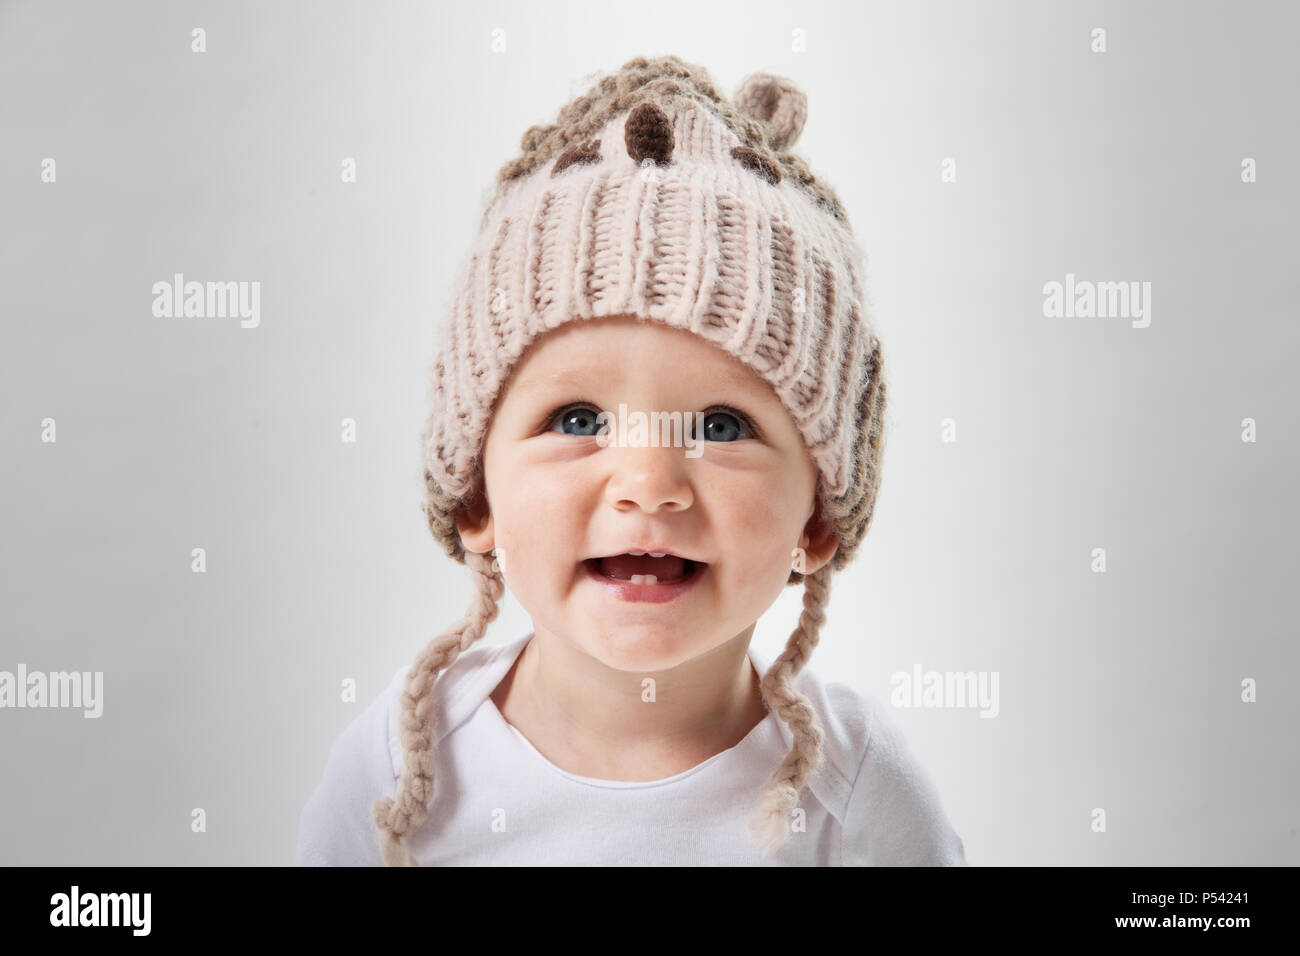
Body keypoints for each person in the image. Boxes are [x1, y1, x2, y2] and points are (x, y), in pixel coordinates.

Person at [297, 54, 967, 867]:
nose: (650, 485)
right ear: (475, 494)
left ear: (819, 513)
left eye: (722, 426)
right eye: (577, 418)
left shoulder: (857, 799)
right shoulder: (402, 771)